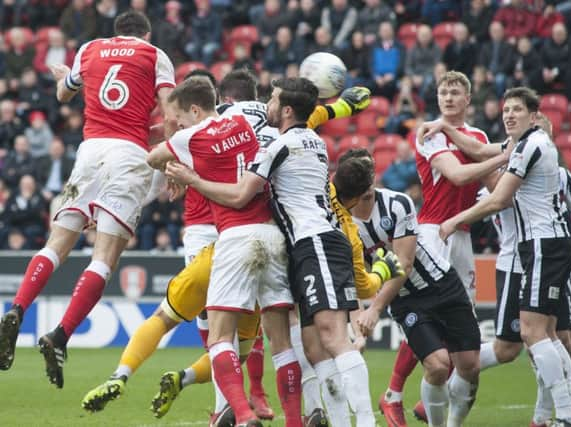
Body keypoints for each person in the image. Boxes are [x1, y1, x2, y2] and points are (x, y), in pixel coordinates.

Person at [165, 77, 381, 426]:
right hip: (302, 246)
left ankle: (366, 422)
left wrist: (192, 179)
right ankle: (328, 418)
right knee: (311, 347)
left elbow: (239, 196)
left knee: (333, 337)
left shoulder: (278, 148)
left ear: (287, 110)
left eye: (274, 99)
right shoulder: (311, 140)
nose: (268, 104)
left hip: (316, 243)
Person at [0, 10, 175, 389]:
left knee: (57, 243)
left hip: (89, 151)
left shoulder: (90, 48)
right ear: (144, 33)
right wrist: (167, 137)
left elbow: (64, 94)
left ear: (116, 31)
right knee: (105, 256)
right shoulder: (153, 54)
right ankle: (60, 335)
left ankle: (16, 308)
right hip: (128, 155)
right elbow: (171, 106)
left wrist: (64, 78)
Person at [440, 87, 571, 427]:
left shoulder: (533, 146)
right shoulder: (526, 147)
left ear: (534, 116)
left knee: (532, 333)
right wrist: (447, 128)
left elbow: (499, 199)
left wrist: (454, 220)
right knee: (547, 334)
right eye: (506, 110)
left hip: (543, 246)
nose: (509, 115)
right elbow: (484, 151)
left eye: (517, 110)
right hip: (540, 248)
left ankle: (570, 414)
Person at [148, 76, 302, 427]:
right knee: (281, 342)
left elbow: (153, 157)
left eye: (180, 118)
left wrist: (180, 164)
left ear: (195, 109)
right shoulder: (242, 123)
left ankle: (243, 415)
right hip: (272, 235)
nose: (178, 125)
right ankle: (294, 421)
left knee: (219, 336)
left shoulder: (191, 136)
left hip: (235, 238)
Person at [378, 70, 507, 425]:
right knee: (430, 313)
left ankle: (430, 393)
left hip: (461, 235)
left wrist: (505, 173)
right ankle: (393, 394)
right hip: (433, 232)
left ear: (468, 99)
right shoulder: (428, 132)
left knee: (457, 319)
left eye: (455, 93)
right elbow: (459, 175)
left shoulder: (478, 137)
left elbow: (497, 189)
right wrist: (507, 153)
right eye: (443, 92)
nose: (448, 98)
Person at [345, 149, 480, 427]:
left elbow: (404, 264)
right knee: (438, 365)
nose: (369, 181)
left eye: (370, 173)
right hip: (407, 301)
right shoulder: (343, 226)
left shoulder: (397, 203)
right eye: (361, 175)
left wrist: (376, 308)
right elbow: (350, 279)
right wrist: (356, 329)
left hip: (442, 284)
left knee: (468, 365)